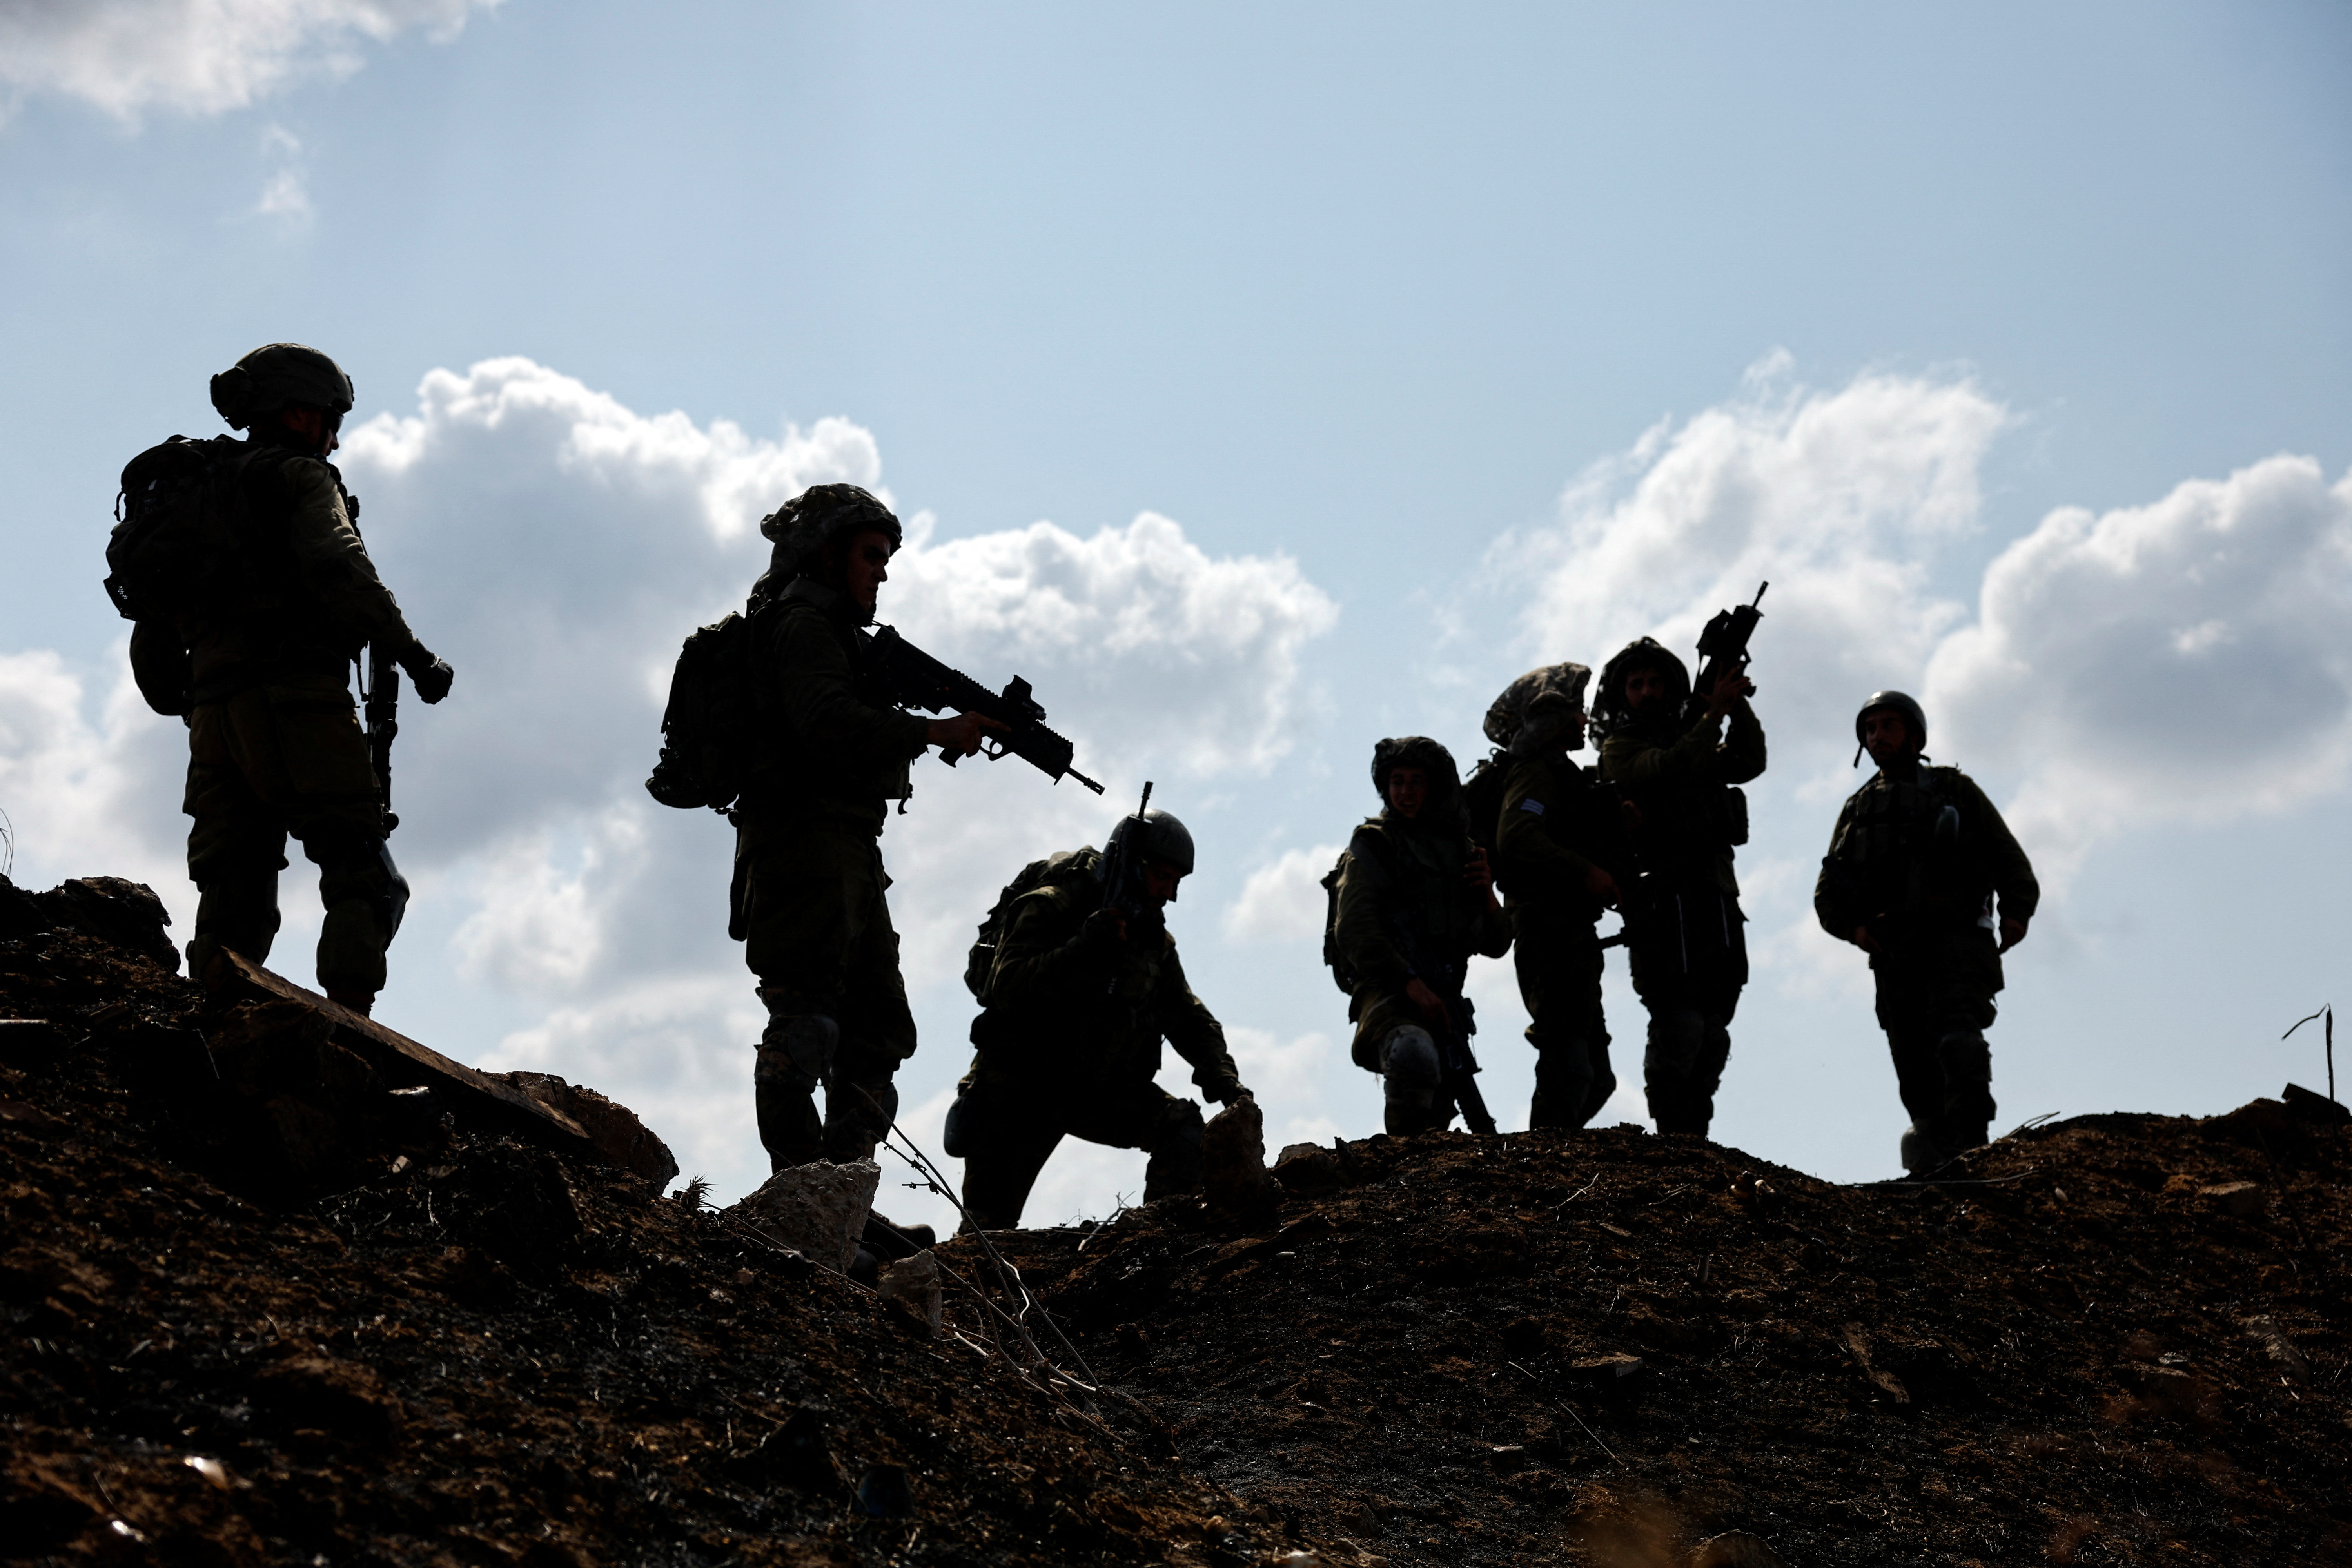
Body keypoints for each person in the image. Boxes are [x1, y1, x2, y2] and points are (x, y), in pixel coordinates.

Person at [176, 343, 454, 1014]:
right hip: (297, 701)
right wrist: (417, 658)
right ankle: (350, 1030)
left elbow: (156, 625)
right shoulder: (300, 479)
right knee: (363, 873)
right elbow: (339, 567)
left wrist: (201, 696)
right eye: (331, 418)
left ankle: (217, 1016)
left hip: (214, 716)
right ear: (299, 413)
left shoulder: (197, 492)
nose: (335, 435)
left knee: (232, 879)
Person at [732, 483, 997, 1171]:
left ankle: (841, 1200)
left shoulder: (840, 636)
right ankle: (799, 1198)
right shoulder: (801, 625)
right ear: (828, 556)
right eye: (871, 555)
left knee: (877, 1034)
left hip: (849, 851)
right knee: (807, 1024)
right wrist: (932, 729)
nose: (882, 571)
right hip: (799, 849)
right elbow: (824, 721)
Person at [946, 806, 1247, 1230]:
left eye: (1176, 882)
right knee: (986, 1232)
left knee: (1183, 1132)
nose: (1170, 894)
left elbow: (1186, 1014)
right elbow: (1007, 986)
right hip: (1020, 1088)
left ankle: (1158, 1248)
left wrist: (1223, 1077)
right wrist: (1083, 948)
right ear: (1131, 865)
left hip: (1094, 1087)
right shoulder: (1053, 905)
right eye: (1163, 877)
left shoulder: (1151, 938)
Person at [1815, 690, 2039, 1174]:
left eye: (1888, 726)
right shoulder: (1858, 810)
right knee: (1914, 1070)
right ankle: (1938, 1168)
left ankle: (1975, 1152)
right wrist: (1856, 930)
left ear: (1914, 735)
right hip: (1895, 957)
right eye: (1870, 729)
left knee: (1959, 1045)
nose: (1878, 737)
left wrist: (2018, 911)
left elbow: (2007, 857)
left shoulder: (1953, 790)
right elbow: (1827, 893)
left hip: (1956, 943)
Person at [1593, 637, 1766, 1138]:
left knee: (1714, 1029)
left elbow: (1748, 761)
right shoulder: (1622, 746)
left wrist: (1735, 703)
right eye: (1636, 684)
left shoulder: (1694, 735)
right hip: (1662, 902)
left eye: (1655, 682)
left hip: (1714, 898)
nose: (1647, 692)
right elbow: (1665, 770)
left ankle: (1695, 1136)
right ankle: (1671, 1138)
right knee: (1680, 1024)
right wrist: (1712, 715)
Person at [1334, 737, 1512, 1134]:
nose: (1406, 792)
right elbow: (1354, 928)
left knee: (1443, 1105)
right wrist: (1409, 982)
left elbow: (1498, 944)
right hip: (1389, 996)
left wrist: (1488, 894)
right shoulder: (1374, 844)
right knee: (1413, 1053)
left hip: (1444, 999)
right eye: (1397, 781)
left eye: (1417, 781)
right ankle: (1399, 1171)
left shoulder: (1461, 850)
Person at [1486, 663, 1626, 1131]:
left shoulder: (1561, 774)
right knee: (1570, 1065)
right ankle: (1537, 1170)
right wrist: (1585, 872)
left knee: (1597, 1076)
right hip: (1547, 931)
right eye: (1573, 711)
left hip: (1571, 932)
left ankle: (1548, 1158)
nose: (1583, 721)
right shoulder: (1535, 770)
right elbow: (1518, 836)